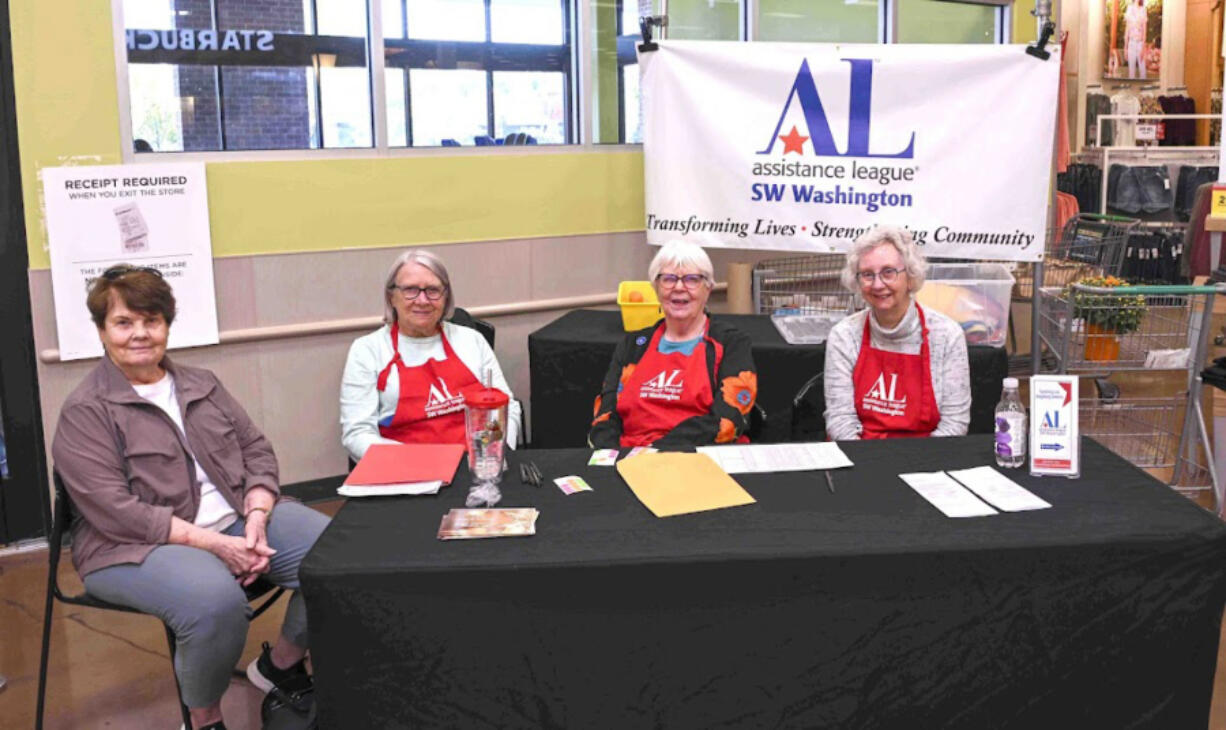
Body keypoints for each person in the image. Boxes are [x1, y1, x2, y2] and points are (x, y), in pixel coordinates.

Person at [52, 265, 330, 730]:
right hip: (133, 547)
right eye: (124, 323)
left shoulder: (202, 383)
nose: (140, 333)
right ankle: (203, 720)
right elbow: (116, 512)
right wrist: (219, 546)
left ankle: (279, 666)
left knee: (337, 557)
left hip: (236, 522)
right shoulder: (85, 411)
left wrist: (258, 516)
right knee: (213, 603)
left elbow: (256, 450)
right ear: (102, 330)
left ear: (167, 325)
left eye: (152, 320)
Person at [341, 250, 520, 461]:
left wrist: (492, 455)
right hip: (403, 473)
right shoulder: (367, 350)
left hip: (474, 465)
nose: (423, 300)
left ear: (446, 297)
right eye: (410, 290)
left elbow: (507, 407)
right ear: (392, 296)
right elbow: (357, 433)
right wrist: (418, 464)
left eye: (433, 290)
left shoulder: (472, 341)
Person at [590, 240, 757, 448]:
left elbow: (729, 420)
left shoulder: (731, 343)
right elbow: (606, 415)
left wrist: (658, 451)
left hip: (701, 458)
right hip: (632, 458)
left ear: (708, 289)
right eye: (668, 279)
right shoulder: (632, 345)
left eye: (692, 279)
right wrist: (610, 459)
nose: (679, 287)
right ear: (656, 288)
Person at [824, 226, 970, 440]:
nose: (877, 284)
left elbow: (955, 424)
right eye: (867, 275)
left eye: (888, 272)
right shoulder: (843, 336)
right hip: (861, 457)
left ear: (910, 277)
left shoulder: (947, 336)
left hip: (926, 460)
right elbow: (840, 421)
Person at [1124, 0, 1147, 79]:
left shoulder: (1143, 9)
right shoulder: (1129, 9)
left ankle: (1144, 90)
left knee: (1143, 71)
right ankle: (1131, 90)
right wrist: (1125, 47)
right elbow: (1127, 29)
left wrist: (1143, 48)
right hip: (1131, 43)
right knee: (1131, 71)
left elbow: (1144, 31)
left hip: (1140, 43)